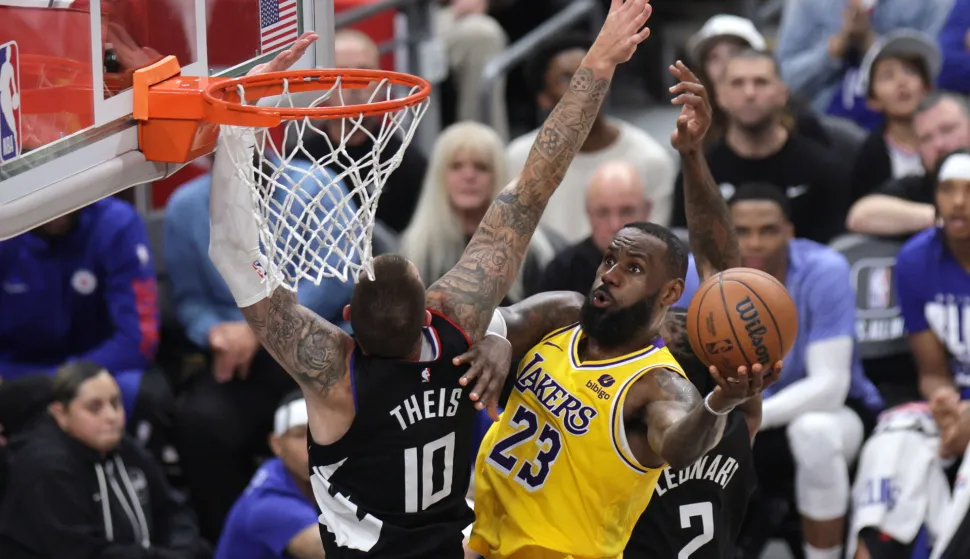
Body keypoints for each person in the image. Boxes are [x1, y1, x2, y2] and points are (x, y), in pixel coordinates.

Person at [205, 3, 653, 556]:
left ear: (347, 321)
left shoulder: (333, 375)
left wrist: (246, 114)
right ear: (427, 311)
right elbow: (534, 183)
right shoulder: (456, 326)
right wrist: (601, 59)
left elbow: (231, 252)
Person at [464, 60, 780, 559]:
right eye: (610, 260)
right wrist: (498, 337)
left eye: (633, 269)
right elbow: (497, 318)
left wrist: (719, 402)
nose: (609, 274)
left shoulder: (678, 385)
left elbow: (722, 275)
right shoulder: (566, 316)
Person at [724, 183, 884, 559]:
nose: (756, 243)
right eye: (742, 232)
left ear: (790, 232)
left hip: (833, 410)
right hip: (742, 417)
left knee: (814, 432)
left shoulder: (824, 269)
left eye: (768, 230)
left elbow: (830, 386)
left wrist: (745, 417)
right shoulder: (705, 276)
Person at [0, 361, 210, 559]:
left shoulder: (121, 445)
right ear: (61, 414)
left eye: (115, 403)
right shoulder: (46, 469)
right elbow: (84, 553)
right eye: (94, 408)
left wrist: (184, 549)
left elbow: (171, 509)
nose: (111, 416)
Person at [669, 49, 851, 244]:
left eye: (761, 82)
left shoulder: (824, 169)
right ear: (720, 96)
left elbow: (838, 250)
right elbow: (683, 248)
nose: (750, 93)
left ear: (783, 94)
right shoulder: (698, 173)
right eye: (737, 83)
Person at [215, 392, 324, 559]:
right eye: (299, 434)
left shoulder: (281, 472)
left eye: (319, 431)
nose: (312, 445)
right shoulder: (269, 504)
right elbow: (336, 552)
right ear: (276, 444)